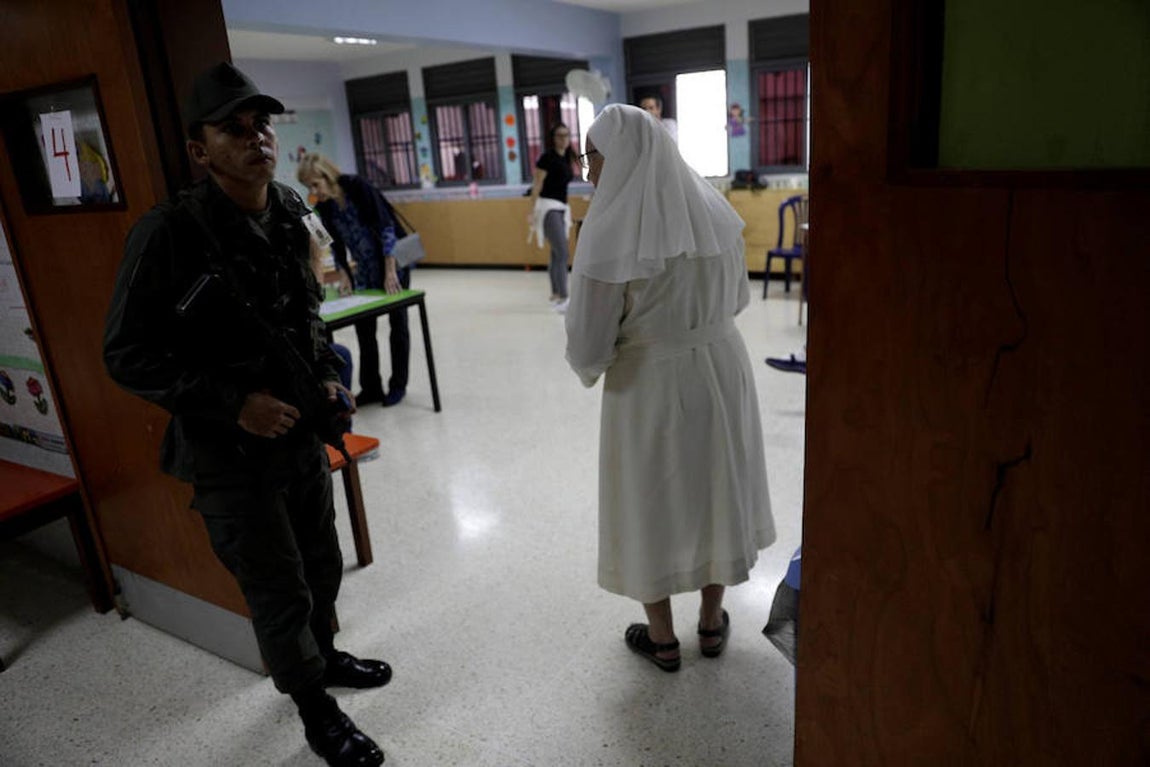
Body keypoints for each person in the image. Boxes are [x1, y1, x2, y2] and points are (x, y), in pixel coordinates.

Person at [103, 62, 388, 767]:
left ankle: (325, 657)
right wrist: (234, 404)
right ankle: (314, 708)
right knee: (277, 588)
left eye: (260, 124)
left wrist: (325, 375)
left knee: (321, 566)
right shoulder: (167, 235)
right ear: (200, 151)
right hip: (229, 456)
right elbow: (125, 354)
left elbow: (309, 316)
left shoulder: (289, 209)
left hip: (297, 438)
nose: (255, 137)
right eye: (233, 128)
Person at [565, 104, 776, 671]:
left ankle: (661, 637)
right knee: (715, 488)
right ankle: (711, 623)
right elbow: (736, 300)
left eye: (593, 158)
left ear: (623, 157)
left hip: (648, 382)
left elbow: (588, 342)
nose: (587, 173)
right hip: (720, 368)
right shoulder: (715, 214)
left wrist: (608, 357)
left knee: (646, 499)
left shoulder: (607, 234)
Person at [298, 152, 411, 407]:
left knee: (398, 323)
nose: (313, 191)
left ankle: (398, 386)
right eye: (308, 187)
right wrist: (344, 274)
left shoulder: (357, 186)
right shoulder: (323, 205)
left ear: (327, 176)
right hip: (365, 265)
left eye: (315, 184)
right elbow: (331, 243)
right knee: (364, 326)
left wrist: (391, 270)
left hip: (392, 259)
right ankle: (371, 387)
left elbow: (386, 227)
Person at [526, 122, 578, 311]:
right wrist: (531, 211)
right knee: (563, 253)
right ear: (553, 138)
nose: (563, 138)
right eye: (559, 135)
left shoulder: (567, 157)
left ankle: (556, 294)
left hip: (562, 208)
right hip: (547, 208)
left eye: (566, 135)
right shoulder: (546, 158)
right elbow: (537, 184)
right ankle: (564, 297)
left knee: (556, 254)